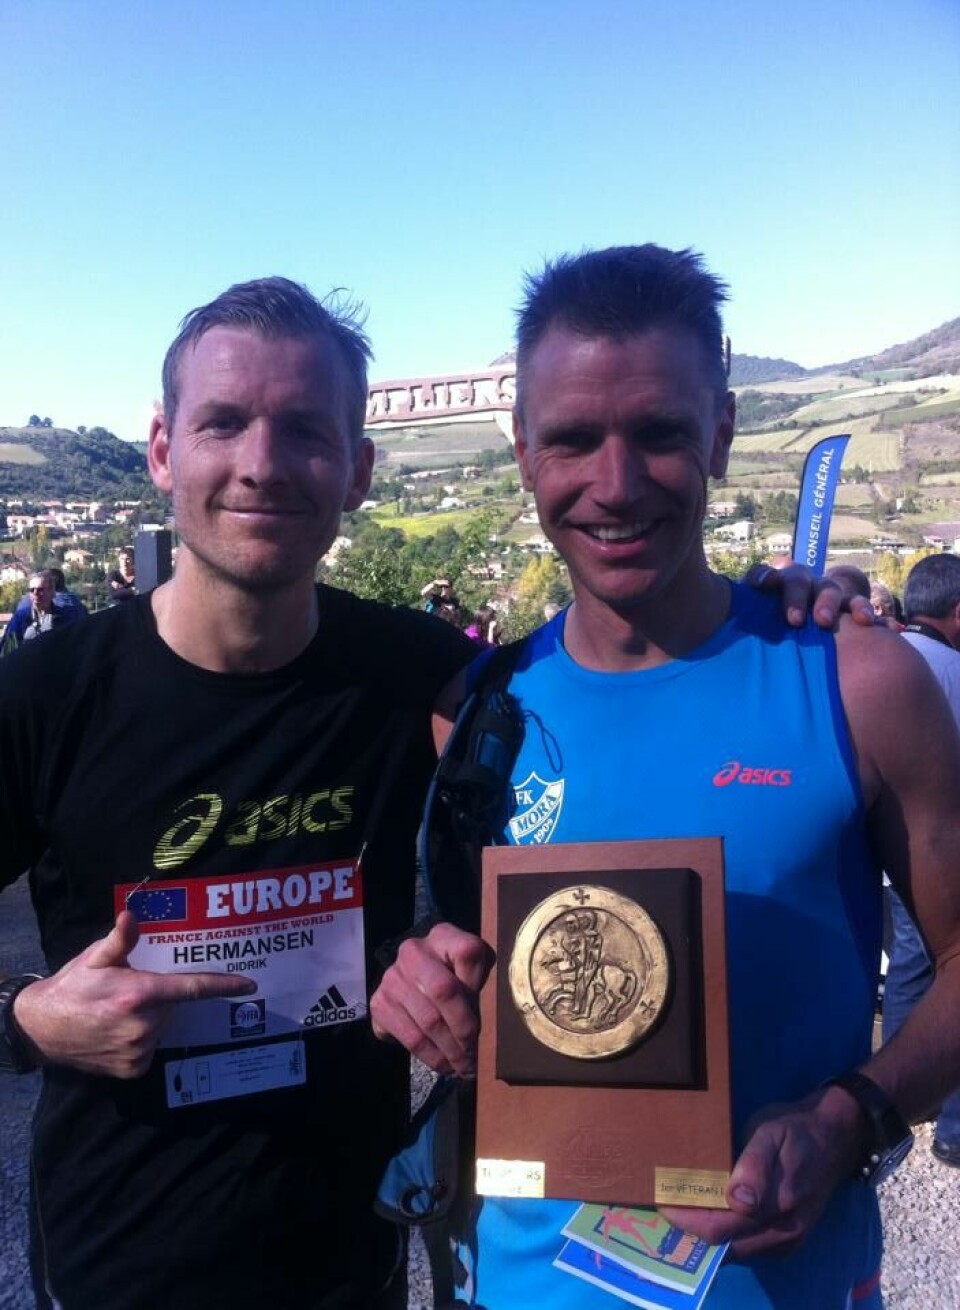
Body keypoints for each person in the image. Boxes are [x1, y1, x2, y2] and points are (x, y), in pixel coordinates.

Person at [370, 245, 960, 1308]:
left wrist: (852, 1116)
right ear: (521, 451)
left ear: (724, 431)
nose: (616, 483)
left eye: (659, 433)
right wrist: (423, 984)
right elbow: (457, 963)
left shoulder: (858, 681)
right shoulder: (474, 710)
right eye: (572, 440)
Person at [0, 276, 474, 1310]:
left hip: (349, 1263)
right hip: (117, 1265)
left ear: (358, 470)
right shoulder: (41, 695)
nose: (261, 465)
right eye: (225, 423)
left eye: (306, 429)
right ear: (165, 450)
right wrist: (25, 1016)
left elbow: (617, 679)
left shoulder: (420, 674)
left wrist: (781, 611)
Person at [883, 552, 960, 1169]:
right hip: (946, 852)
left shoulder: (878, 657)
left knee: (910, 964)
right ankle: (956, 1124)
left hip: (890, 856)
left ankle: (903, 1098)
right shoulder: (952, 671)